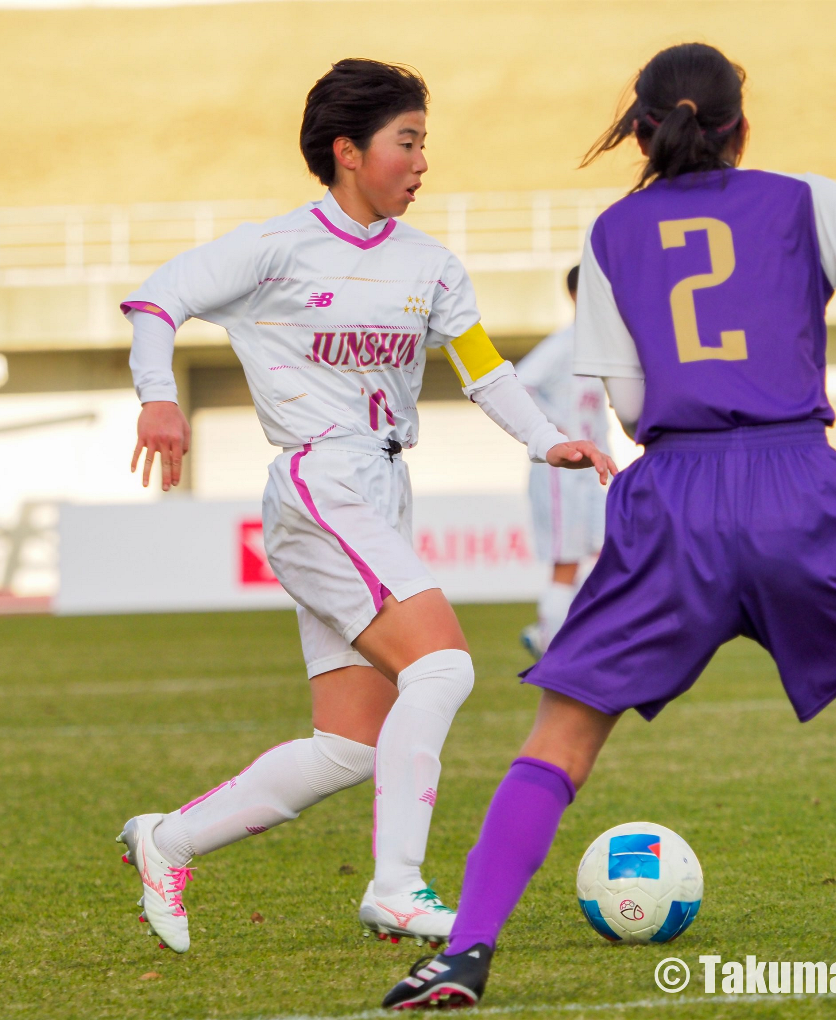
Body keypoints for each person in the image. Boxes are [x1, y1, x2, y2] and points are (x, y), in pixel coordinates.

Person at [383, 42, 836, 1009]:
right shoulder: (806, 204)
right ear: (740, 126)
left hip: (675, 497)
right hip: (795, 488)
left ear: (640, 131)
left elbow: (634, 406)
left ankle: (464, 949)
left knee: (558, 745)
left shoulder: (608, 235)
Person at [114, 58, 614, 955]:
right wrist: (158, 394)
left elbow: (485, 371)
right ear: (349, 151)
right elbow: (158, 299)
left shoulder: (432, 266)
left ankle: (168, 839)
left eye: (425, 143)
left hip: (381, 487)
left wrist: (549, 442)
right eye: (407, 142)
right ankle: (397, 890)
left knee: (348, 746)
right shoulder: (275, 248)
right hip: (319, 480)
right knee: (446, 669)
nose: (423, 162)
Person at [516, 265, 612, 659]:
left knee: (604, 553)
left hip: (592, 472)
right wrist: (553, 431)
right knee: (567, 562)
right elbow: (520, 383)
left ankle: (570, 636)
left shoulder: (600, 346)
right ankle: (553, 649)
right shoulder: (563, 344)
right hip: (562, 473)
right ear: (576, 296)